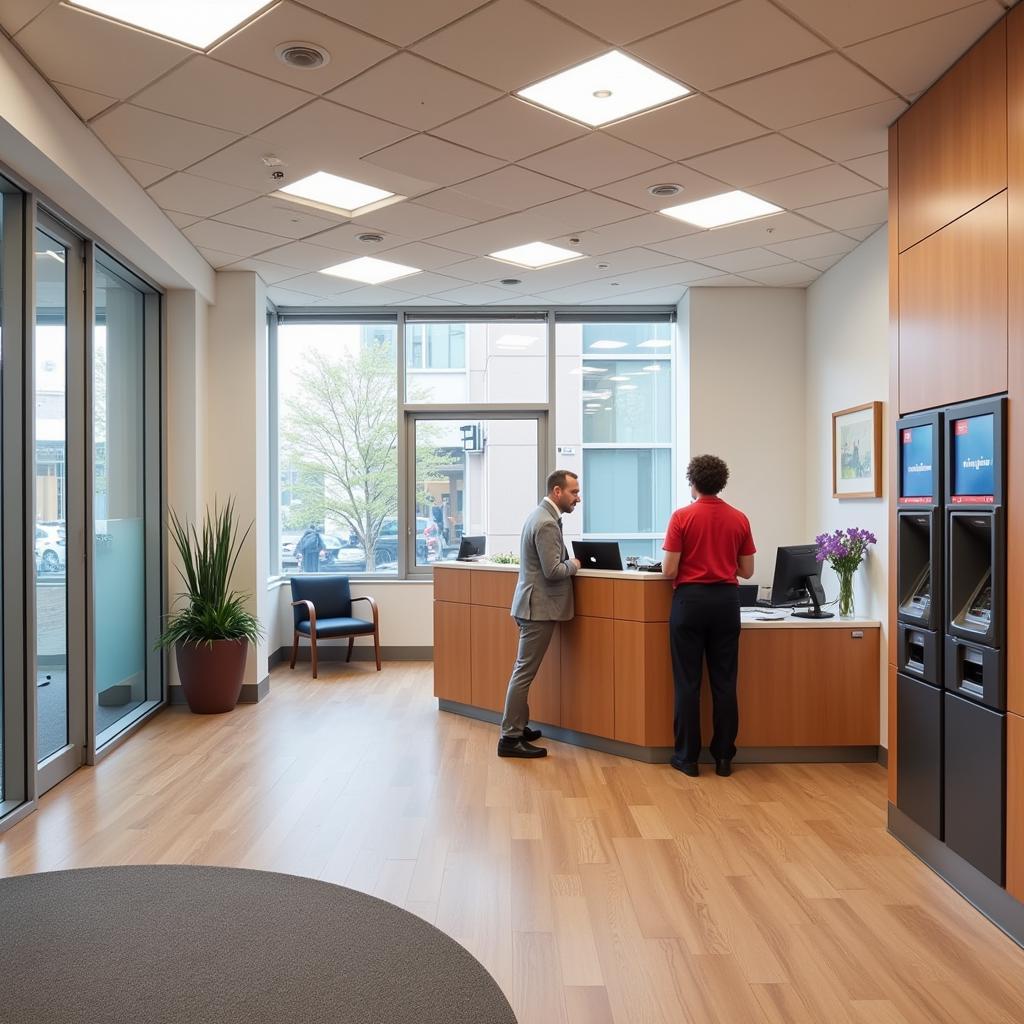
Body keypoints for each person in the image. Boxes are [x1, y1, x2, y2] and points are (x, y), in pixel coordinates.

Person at [661, 455, 755, 779]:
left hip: (689, 602)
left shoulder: (681, 517)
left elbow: (669, 569)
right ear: (721, 482)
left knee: (688, 683)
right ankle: (724, 758)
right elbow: (747, 570)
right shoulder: (739, 518)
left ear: (693, 482)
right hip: (727, 603)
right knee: (725, 683)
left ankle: (687, 758)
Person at [498, 470, 582, 759]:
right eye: (574, 492)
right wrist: (574, 563)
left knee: (523, 670)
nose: (578, 497)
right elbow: (553, 570)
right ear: (557, 491)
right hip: (538, 608)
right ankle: (510, 737)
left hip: (532, 604)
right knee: (523, 673)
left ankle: (518, 727)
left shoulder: (540, 515)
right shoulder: (546, 523)